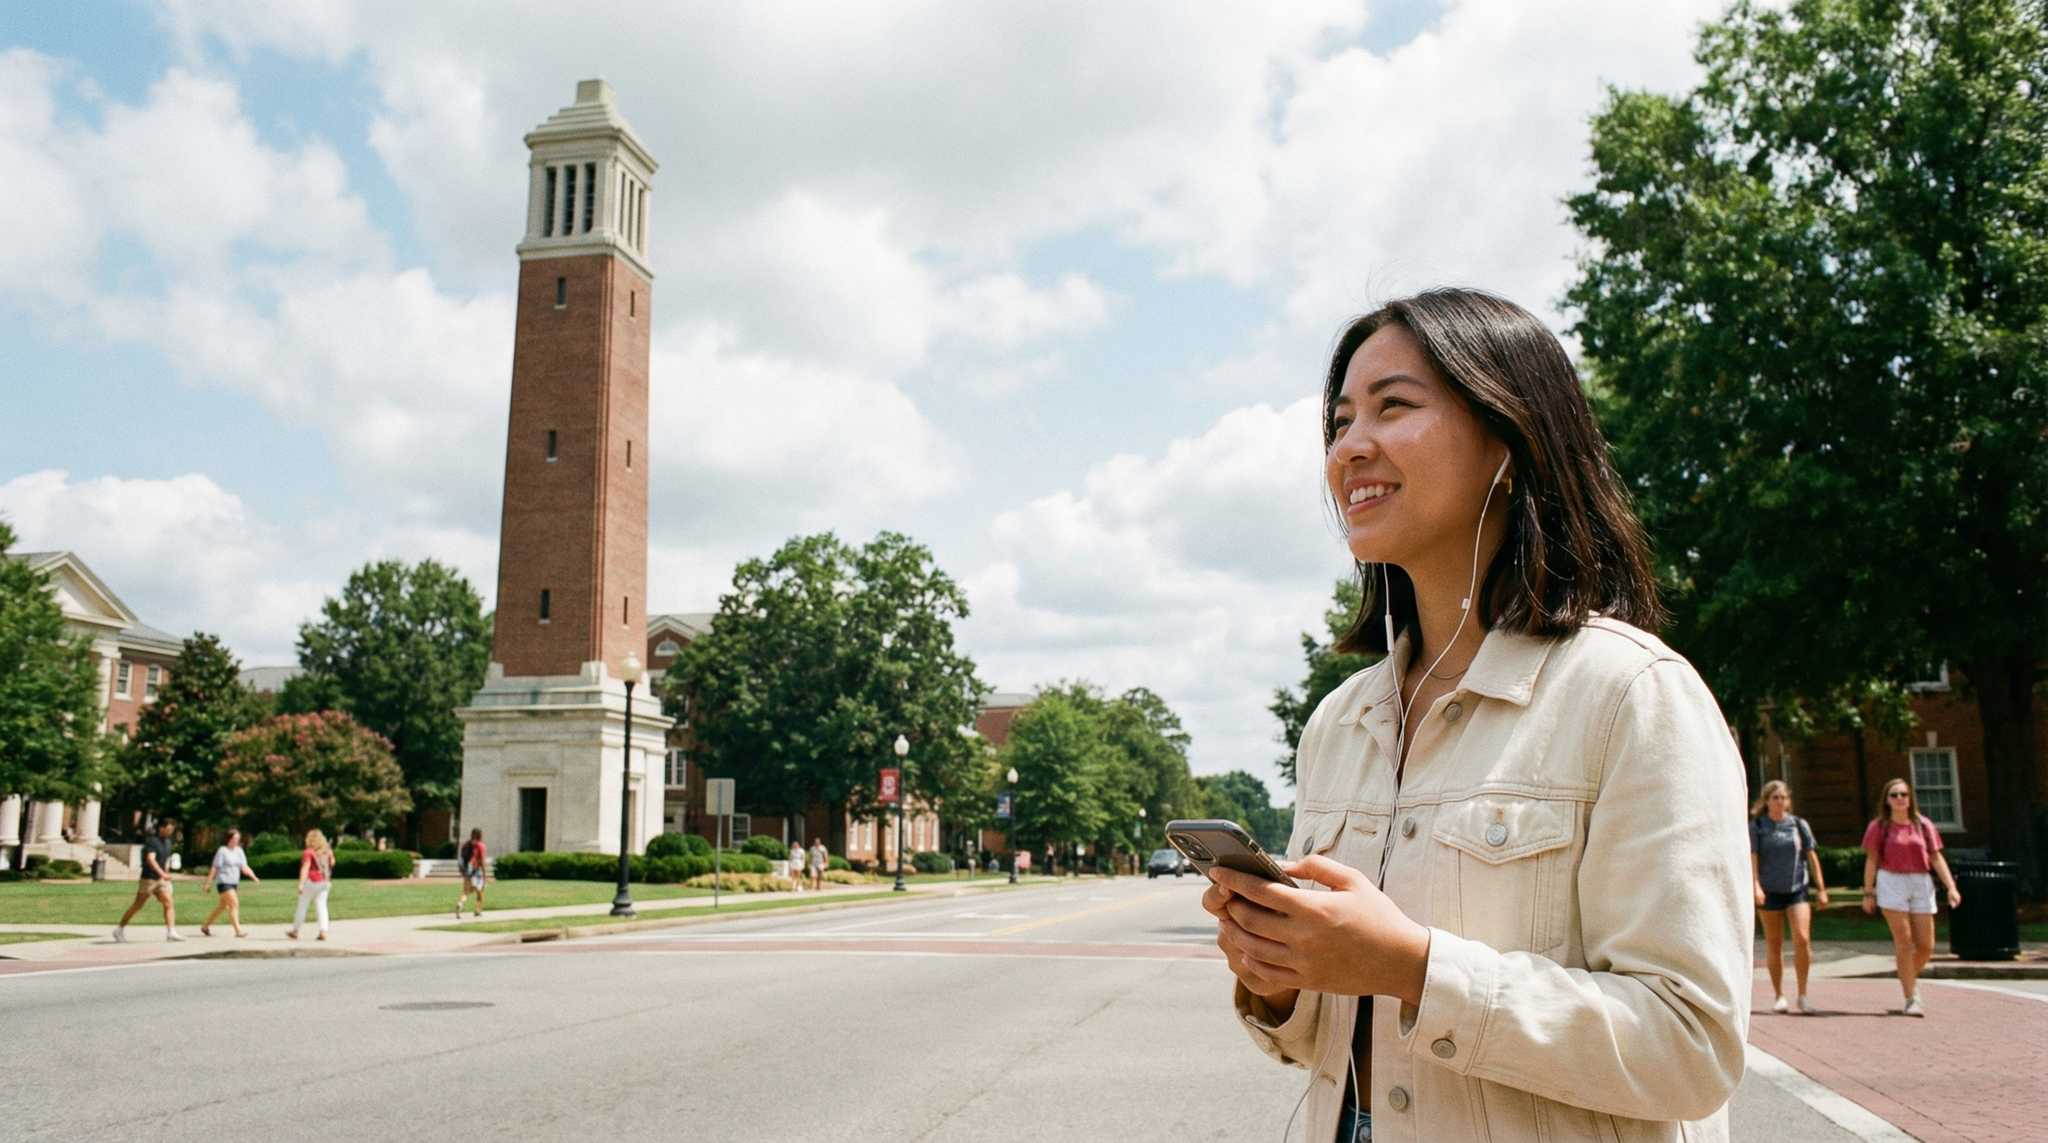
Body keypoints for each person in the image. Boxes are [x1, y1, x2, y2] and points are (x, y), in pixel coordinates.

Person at [1202, 290, 1750, 1143]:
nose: (1351, 446)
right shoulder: (1338, 723)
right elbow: (1323, 1038)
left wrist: (1415, 967)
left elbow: (1690, 1046)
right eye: (1340, 421)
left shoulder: (1632, 694)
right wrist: (1280, 973)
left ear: (1508, 435)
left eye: (1394, 406)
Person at [1861, 778, 1961, 1016]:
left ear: (1910, 798)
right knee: (1904, 941)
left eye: (1903, 794)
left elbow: (1936, 857)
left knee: (1926, 946)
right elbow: (1872, 859)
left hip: (1920, 881)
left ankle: (1906, 976)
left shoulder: (1922, 825)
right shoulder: (1879, 826)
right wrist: (1868, 891)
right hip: (1891, 881)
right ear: (1887, 800)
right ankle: (1911, 997)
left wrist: (1951, 887)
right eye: (1894, 795)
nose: (1899, 799)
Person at [1750, 781, 1827, 1014]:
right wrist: (1755, 886)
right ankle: (1779, 994)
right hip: (1769, 890)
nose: (1779, 802)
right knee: (1774, 943)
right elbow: (1753, 858)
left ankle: (1802, 994)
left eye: (1783, 797)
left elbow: (1811, 857)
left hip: (1797, 888)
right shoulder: (1758, 827)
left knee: (1802, 939)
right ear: (1766, 801)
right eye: (1775, 798)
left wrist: (1821, 888)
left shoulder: (1798, 825)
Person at [114, 819, 182, 943]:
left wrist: (166, 874)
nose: (170, 832)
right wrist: (162, 873)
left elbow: (166, 859)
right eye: (168, 829)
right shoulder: (152, 842)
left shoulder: (167, 842)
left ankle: (171, 932)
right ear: (161, 828)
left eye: (172, 830)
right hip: (149, 879)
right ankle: (119, 930)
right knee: (137, 905)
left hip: (161, 880)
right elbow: (151, 860)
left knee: (169, 903)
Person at [200, 828, 261, 938]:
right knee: (234, 904)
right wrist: (208, 883)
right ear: (229, 839)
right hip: (224, 883)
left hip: (234, 883)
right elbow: (215, 868)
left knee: (222, 907)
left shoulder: (239, 851)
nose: (237, 840)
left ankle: (205, 926)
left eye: (238, 839)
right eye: (235, 838)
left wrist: (254, 876)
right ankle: (238, 931)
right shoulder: (222, 851)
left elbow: (244, 867)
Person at [287, 829, 334, 941]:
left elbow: (305, 868)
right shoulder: (327, 851)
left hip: (311, 881)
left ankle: (295, 931)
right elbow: (332, 863)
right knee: (322, 907)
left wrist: (301, 884)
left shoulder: (308, 852)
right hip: (324, 882)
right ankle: (323, 931)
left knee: (302, 906)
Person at [456, 828, 488, 919]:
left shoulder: (466, 844)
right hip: (476, 872)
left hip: (467, 871)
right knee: (480, 893)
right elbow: (481, 861)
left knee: (466, 892)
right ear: (480, 835)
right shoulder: (481, 845)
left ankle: (460, 903)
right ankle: (477, 911)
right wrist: (485, 875)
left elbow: (461, 858)